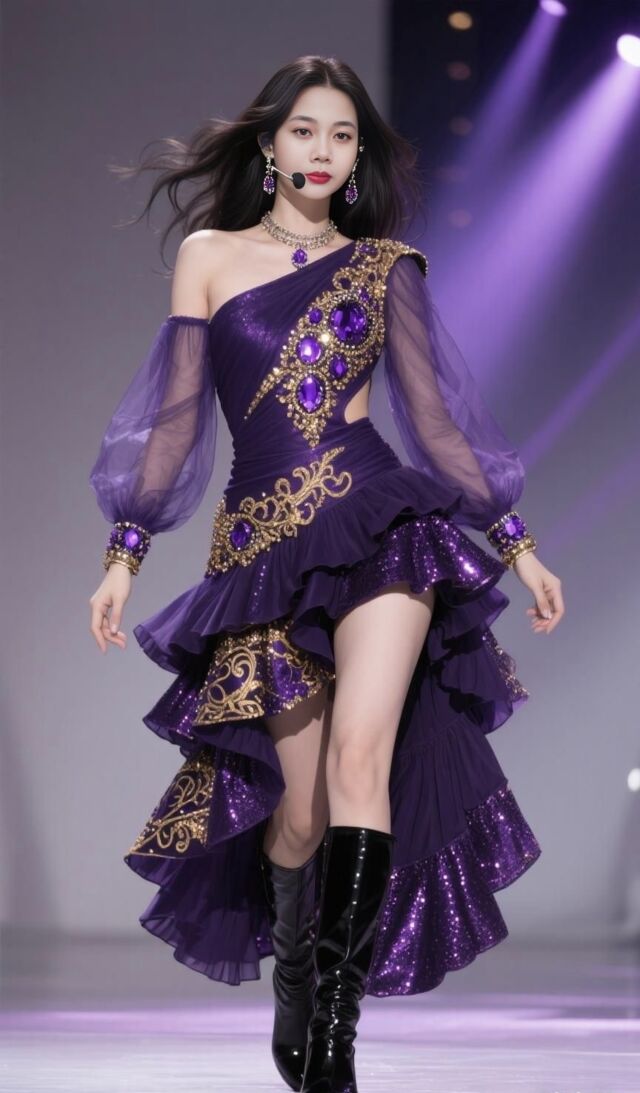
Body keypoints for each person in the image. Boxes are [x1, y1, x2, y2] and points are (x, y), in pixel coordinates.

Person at [88, 55, 564, 1093]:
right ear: (269, 144)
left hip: (380, 522)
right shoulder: (209, 257)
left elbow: (435, 424)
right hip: (263, 549)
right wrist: (126, 550)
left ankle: (337, 1043)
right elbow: (175, 421)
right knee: (298, 814)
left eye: (342, 136)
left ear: (357, 158)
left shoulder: (386, 267)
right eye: (305, 130)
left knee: (361, 761)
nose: (322, 151)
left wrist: (515, 542)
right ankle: (298, 980)